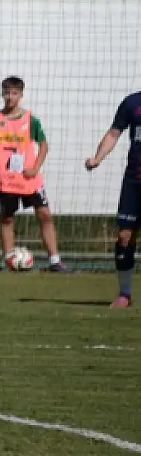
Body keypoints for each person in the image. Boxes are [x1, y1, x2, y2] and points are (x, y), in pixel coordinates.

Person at [0, 77, 62, 270]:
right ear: (2, 93)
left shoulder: (30, 119)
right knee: (7, 218)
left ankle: (55, 261)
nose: (10, 97)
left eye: (14, 93)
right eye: (6, 93)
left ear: (21, 95)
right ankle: (10, 261)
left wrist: (36, 167)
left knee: (44, 214)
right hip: (7, 179)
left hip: (30, 178)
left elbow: (44, 145)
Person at [84, 90, 141, 307]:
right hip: (134, 181)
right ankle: (124, 294)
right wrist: (98, 158)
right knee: (125, 236)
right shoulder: (132, 102)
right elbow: (114, 133)